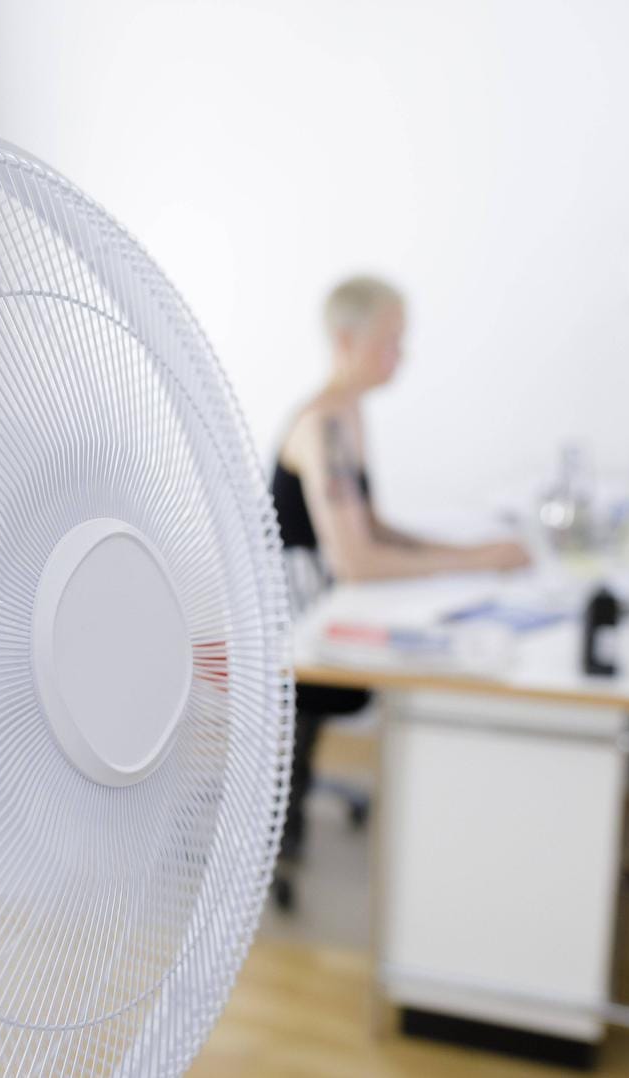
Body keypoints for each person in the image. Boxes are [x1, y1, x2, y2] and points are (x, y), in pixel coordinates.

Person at [271, 274, 530, 870]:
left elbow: (372, 526)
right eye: (391, 340)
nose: (401, 356)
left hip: (326, 600)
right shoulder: (325, 425)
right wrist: (471, 562)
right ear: (346, 339)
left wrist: (472, 554)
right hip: (302, 626)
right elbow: (357, 562)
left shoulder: (350, 415)